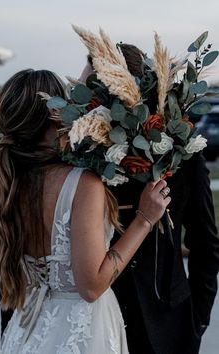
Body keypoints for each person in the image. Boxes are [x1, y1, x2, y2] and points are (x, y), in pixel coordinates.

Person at [0, 68, 171, 353]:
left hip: (29, 330)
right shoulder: (81, 182)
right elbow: (91, 286)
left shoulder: (13, 181)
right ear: (54, 112)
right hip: (80, 333)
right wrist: (145, 219)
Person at [108, 45, 219, 354]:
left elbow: (206, 244)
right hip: (103, 322)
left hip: (171, 325)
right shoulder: (88, 162)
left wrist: (198, 319)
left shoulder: (183, 156)